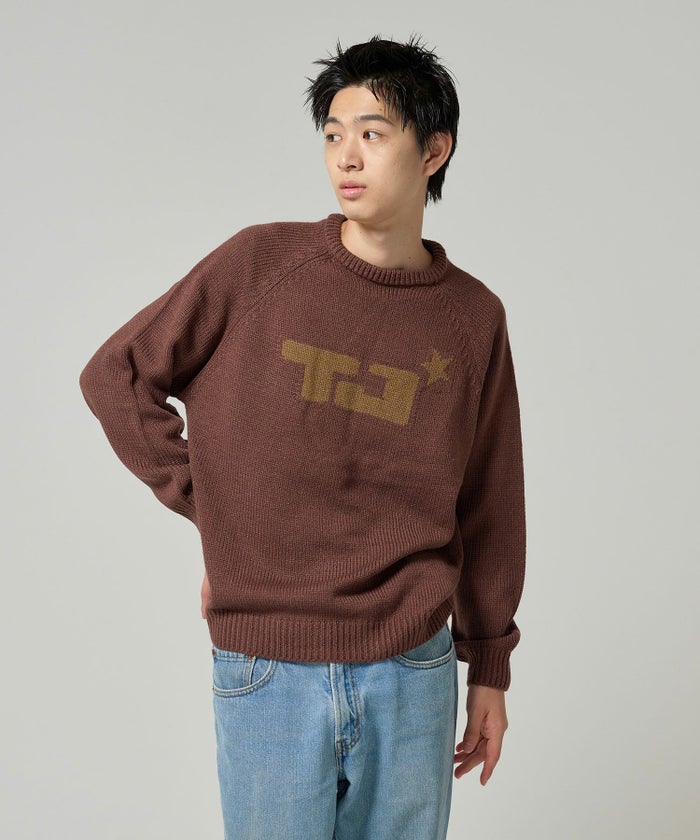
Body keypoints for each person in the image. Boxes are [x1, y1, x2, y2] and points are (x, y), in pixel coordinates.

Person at [79, 34, 526, 840]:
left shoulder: (472, 319)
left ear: (433, 150)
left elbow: (491, 500)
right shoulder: (259, 266)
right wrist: (215, 508)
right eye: (332, 133)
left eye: (372, 133)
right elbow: (117, 375)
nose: (345, 156)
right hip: (267, 665)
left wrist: (489, 665)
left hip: (412, 668)